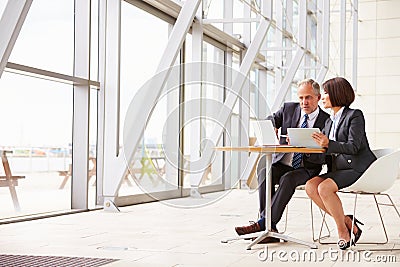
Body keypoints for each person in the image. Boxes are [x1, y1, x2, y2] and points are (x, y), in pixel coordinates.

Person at [235, 79, 330, 243]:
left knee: (288, 179)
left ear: (317, 97)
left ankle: (264, 225)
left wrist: (305, 146)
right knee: (265, 170)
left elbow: (324, 155)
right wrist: (272, 125)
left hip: (306, 168)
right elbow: (270, 119)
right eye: (301, 98)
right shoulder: (288, 108)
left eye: (308, 98)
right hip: (283, 163)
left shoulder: (326, 120)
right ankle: (268, 227)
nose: (304, 102)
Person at [305, 77, 376, 250]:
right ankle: (347, 221)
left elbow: (353, 146)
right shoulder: (329, 121)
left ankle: (342, 230)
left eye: (326, 93)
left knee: (324, 188)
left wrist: (327, 143)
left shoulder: (355, 115)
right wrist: (307, 145)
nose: (322, 96)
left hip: (359, 167)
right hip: (339, 168)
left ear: (336, 94)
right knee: (311, 186)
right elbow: (325, 148)